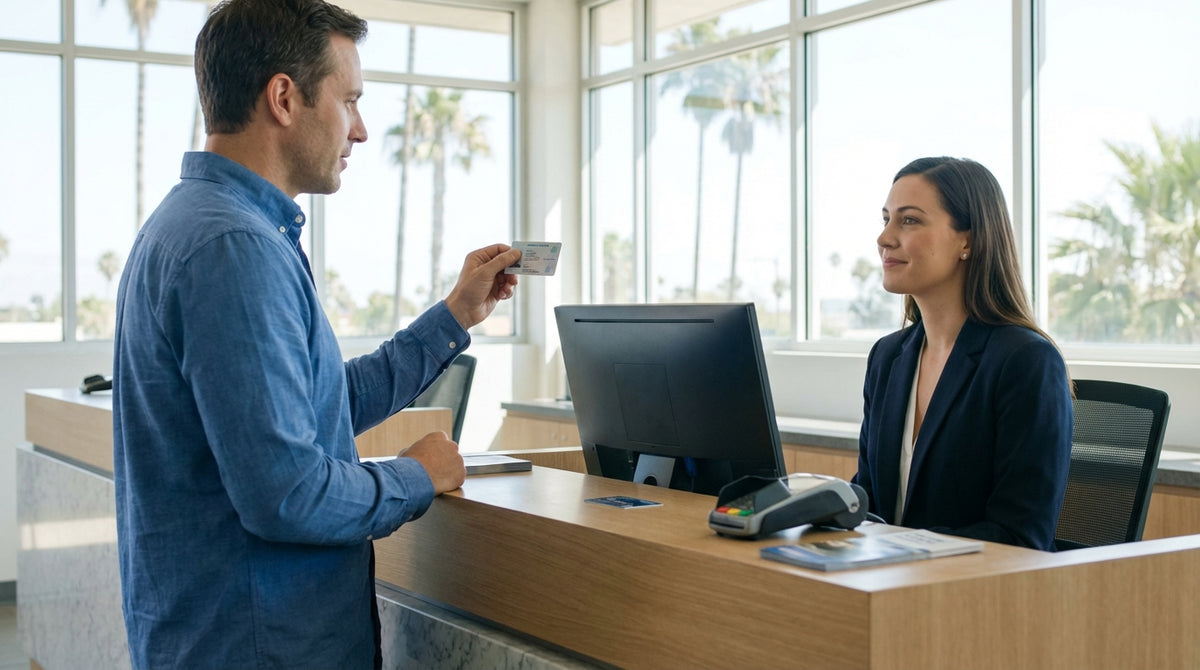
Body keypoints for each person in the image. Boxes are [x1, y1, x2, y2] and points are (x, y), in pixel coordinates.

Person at [111, 1, 522, 668]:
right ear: (283, 98)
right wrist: (416, 475)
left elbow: (311, 404)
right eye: (350, 100)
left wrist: (453, 318)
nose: (359, 130)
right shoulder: (232, 248)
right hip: (259, 646)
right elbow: (288, 495)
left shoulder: (199, 224)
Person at [851, 156, 1073, 551]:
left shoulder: (1025, 362)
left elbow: (1020, 537)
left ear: (967, 241)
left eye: (909, 220)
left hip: (975, 599)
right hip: (888, 587)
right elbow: (867, 500)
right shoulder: (888, 357)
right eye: (886, 219)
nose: (885, 238)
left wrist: (896, 549)